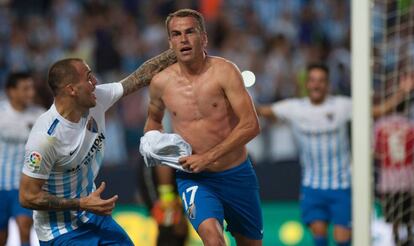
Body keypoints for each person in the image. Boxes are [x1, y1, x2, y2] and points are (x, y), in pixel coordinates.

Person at [18, 49, 177, 245]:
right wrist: (80, 203)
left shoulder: (97, 98)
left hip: (94, 217)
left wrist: (178, 51)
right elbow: (27, 197)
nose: (95, 82)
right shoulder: (45, 138)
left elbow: (140, 76)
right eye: (88, 77)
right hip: (60, 232)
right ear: (72, 90)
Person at [257, 64, 414, 246]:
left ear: (327, 84)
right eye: (313, 80)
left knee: (342, 239)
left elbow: (378, 111)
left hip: (342, 185)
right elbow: (262, 110)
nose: (317, 85)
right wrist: (232, 97)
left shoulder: (342, 106)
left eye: (321, 81)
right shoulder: (294, 108)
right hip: (312, 186)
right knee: (319, 235)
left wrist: (402, 92)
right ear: (307, 84)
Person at [144, 9, 262, 246]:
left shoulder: (225, 72)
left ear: (204, 37)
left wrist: (207, 157)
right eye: (176, 34)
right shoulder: (160, 83)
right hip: (194, 178)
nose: (183, 39)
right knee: (213, 239)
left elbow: (251, 125)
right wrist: (151, 142)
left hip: (236, 174)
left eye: (190, 32)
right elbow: (154, 121)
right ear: (170, 42)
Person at [0, 72, 45, 246]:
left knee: (25, 228)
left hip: (24, 185)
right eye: (25, 88)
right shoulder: (1, 114)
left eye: (32, 88)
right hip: (0, 186)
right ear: (11, 91)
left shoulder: (39, 115)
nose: (31, 93)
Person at [374, 100, 414, 246]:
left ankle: (395, 239)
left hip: (388, 180)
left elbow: (376, 151)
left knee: (393, 219)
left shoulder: (380, 125)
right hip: (408, 179)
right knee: (409, 216)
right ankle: (409, 236)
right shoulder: (410, 125)